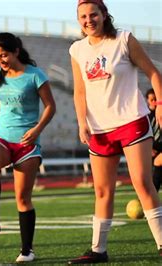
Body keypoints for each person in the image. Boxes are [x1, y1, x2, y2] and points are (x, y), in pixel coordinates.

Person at [68, 0, 162, 263]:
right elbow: (79, 91)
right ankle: (98, 250)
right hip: (99, 130)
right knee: (102, 190)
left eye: (93, 14)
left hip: (131, 121)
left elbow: (154, 74)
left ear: (104, 15)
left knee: (143, 183)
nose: (89, 20)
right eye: (83, 16)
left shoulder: (124, 39)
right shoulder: (76, 49)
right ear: (79, 20)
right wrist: (81, 122)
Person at [0, 32, 56, 263]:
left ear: (16, 51)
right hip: (1, 135)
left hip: (27, 143)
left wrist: (36, 130)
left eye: (3, 55)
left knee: (22, 199)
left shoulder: (35, 75)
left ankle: (27, 250)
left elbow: (50, 107)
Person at [147, 88, 162, 192]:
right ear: (147, 100)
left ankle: (151, 201)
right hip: (152, 151)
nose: (154, 102)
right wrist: (149, 149)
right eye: (152, 100)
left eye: (156, 99)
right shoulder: (145, 116)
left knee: (158, 163)